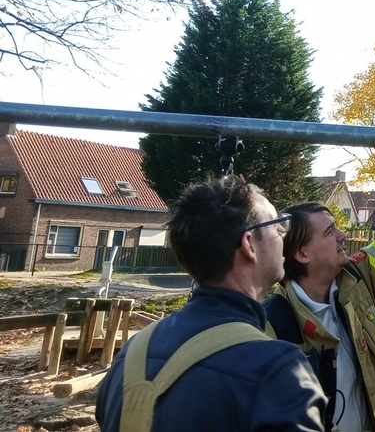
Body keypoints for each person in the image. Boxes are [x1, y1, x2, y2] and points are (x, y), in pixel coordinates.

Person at [96, 176, 326, 432]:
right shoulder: (276, 368)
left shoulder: (132, 354)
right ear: (249, 244)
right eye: (277, 227)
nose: (284, 236)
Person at [264, 141, 375, 432]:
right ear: (302, 254)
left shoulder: (358, 278)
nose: (342, 235)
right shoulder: (272, 324)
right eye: (329, 231)